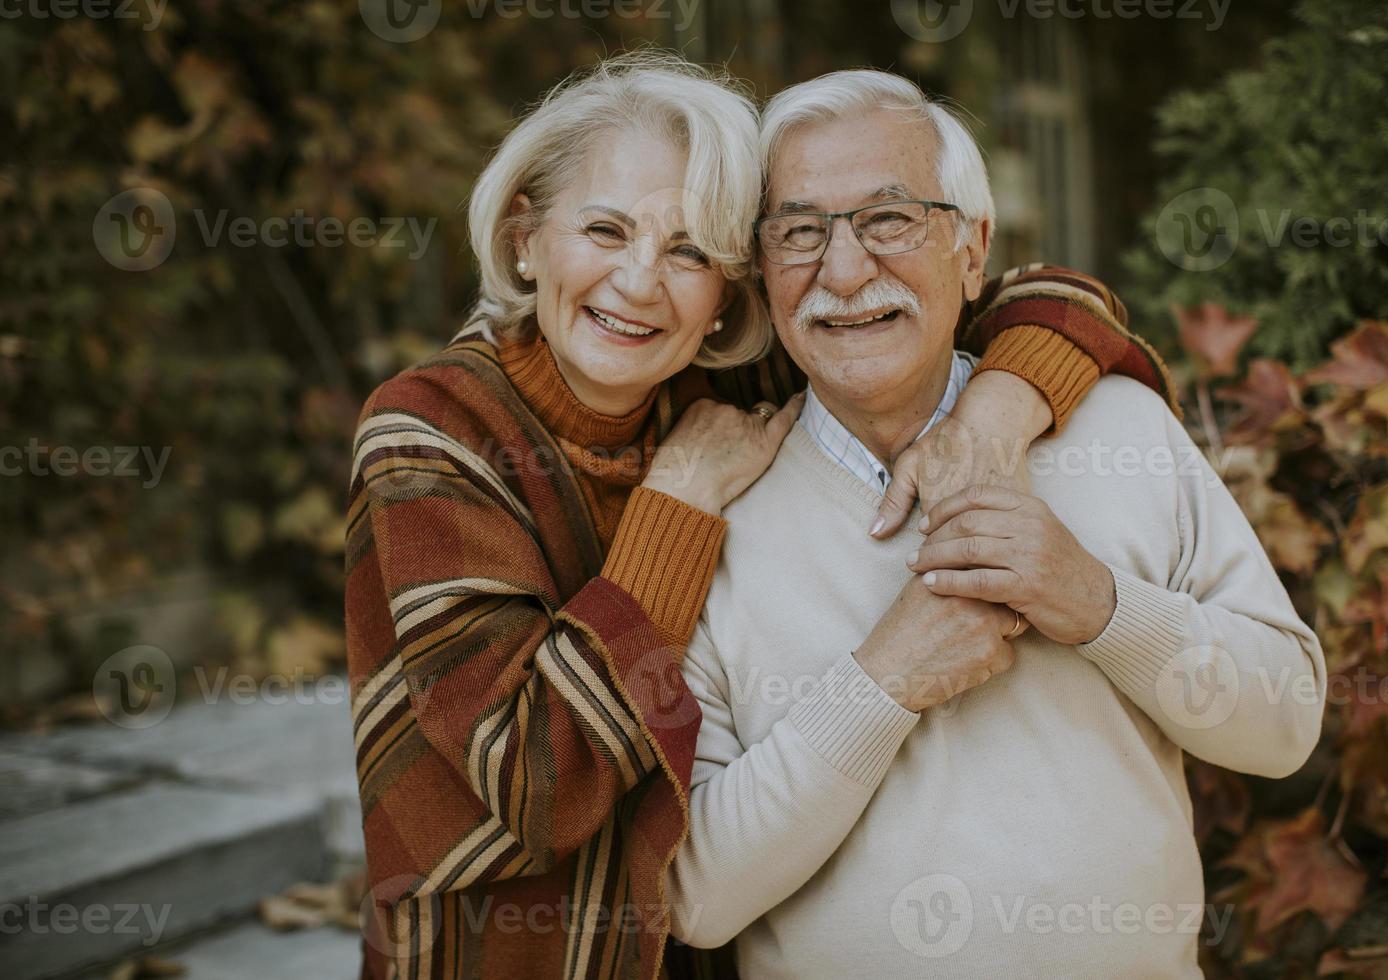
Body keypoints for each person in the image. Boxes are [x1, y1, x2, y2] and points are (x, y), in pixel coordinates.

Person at [346, 53, 1178, 980]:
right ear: (525, 239)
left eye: (691, 249)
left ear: (729, 292)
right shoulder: (433, 432)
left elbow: (1058, 301)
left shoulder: (734, 380)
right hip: (515, 953)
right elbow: (538, 779)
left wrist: (996, 413)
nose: (639, 282)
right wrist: (677, 503)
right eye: (606, 229)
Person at [666, 69, 1325, 978]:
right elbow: (695, 898)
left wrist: (1096, 605)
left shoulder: (1119, 429)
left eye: (890, 220)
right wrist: (884, 683)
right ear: (762, 272)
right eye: (800, 232)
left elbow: (1286, 725)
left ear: (973, 253)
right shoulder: (718, 511)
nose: (845, 269)